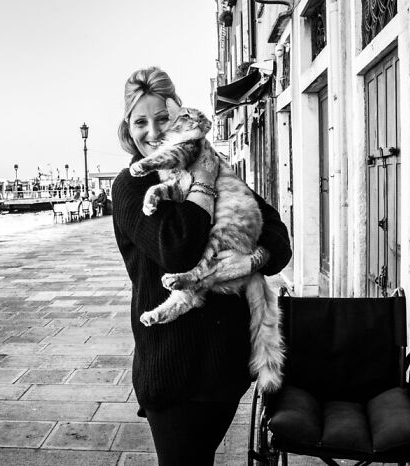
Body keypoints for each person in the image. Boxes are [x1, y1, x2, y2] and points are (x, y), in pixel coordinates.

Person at [112, 67, 292, 465]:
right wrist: (205, 181)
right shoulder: (130, 186)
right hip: (172, 370)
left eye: (162, 118)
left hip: (225, 369)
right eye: (140, 122)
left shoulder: (210, 163)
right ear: (128, 128)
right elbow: (180, 249)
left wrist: (252, 259)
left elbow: (279, 239)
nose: (153, 131)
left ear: (178, 119)